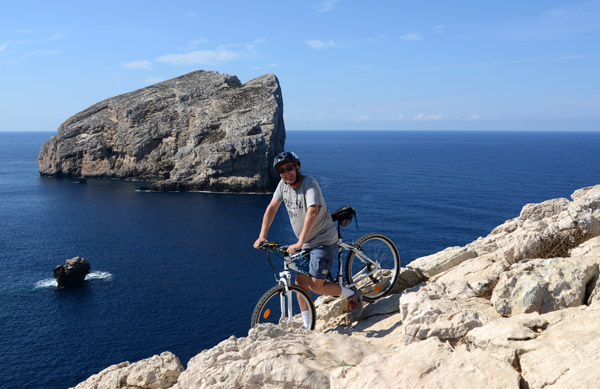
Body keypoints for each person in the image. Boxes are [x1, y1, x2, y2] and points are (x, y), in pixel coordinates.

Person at [253, 151, 363, 328]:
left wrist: (299, 243)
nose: (286, 173)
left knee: (316, 286)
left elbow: (312, 211)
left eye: (289, 168)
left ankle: (352, 294)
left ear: (298, 167)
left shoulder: (309, 182)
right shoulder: (283, 185)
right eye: (282, 170)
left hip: (323, 241)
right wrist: (262, 236)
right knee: (300, 282)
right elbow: (271, 209)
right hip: (306, 243)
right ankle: (308, 325)